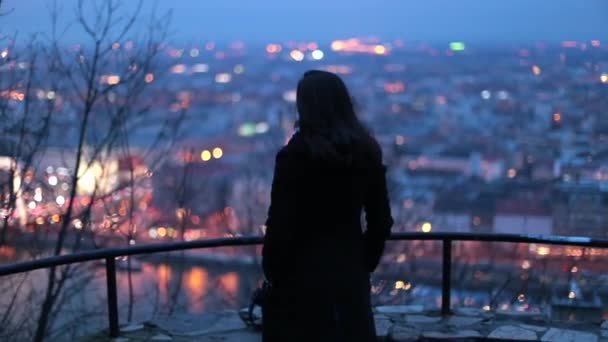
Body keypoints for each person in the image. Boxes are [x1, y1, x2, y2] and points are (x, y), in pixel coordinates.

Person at [261, 70, 393, 341]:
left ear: (303, 107)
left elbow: (280, 226)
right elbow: (381, 220)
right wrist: (363, 262)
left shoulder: (294, 158)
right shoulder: (366, 152)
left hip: (300, 281)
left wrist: (274, 275)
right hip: (349, 279)